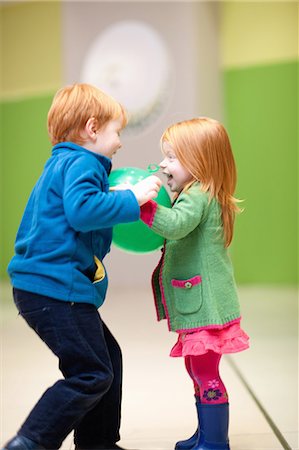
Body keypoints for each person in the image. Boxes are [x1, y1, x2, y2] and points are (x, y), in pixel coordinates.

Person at [3, 83, 162, 450]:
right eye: (116, 131)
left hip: (45, 287)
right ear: (92, 129)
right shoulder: (84, 163)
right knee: (90, 372)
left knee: (108, 358)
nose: (120, 142)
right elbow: (83, 211)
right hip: (56, 289)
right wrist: (131, 198)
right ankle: (31, 441)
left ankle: (97, 441)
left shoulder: (60, 163)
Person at [140, 117, 249, 450]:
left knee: (205, 373)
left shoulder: (198, 195)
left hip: (206, 306)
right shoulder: (199, 192)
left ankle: (215, 440)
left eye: (172, 157)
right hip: (202, 305)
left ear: (200, 162)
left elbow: (174, 226)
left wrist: (142, 206)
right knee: (196, 369)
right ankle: (205, 433)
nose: (162, 163)